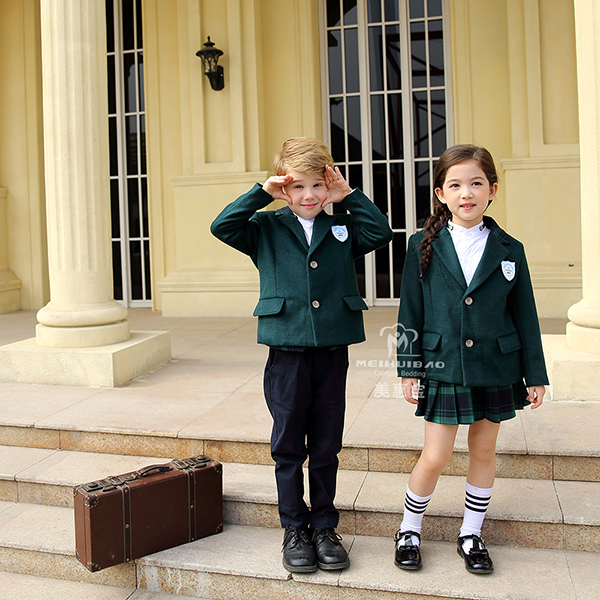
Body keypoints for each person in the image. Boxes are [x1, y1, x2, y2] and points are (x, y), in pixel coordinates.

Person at [210, 137, 393, 573]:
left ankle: (325, 527)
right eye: (298, 188)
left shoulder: (342, 227)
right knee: (289, 443)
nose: (308, 196)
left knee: (327, 442)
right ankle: (294, 527)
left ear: (328, 186)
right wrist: (263, 192)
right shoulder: (265, 228)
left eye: (317, 186)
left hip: (331, 348)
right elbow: (222, 226)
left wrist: (348, 194)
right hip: (287, 349)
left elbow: (381, 232)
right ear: (285, 190)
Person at [394, 144, 548, 575]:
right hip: (443, 365)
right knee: (436, 455)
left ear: (492, 190)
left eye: (477, 183)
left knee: (483, 450)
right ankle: (409, 529)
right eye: (456, 184)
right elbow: (410, 311)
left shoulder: (508, 247)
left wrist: (534, 374)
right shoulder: (421, 246)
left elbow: (526, 315)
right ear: (441, 194)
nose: (467, 192)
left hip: (496, 367)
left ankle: (471, 533)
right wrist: (409, 366)